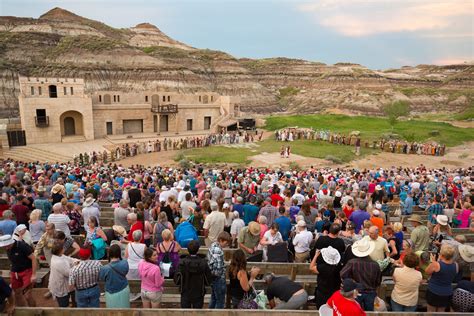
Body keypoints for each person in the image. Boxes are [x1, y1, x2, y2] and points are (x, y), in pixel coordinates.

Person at [340, 238, 381, 311]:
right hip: (370, 292)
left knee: (355, 311)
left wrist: (352, 282)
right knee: (369, 312)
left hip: (356, 292)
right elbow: (378, 281)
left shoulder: (352, 263)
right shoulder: (375, 265)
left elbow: (342, 274)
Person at [0, 234, 36, 307]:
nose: (5, 247)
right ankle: (22, 311)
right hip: (15, 272)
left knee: (27, 295)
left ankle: (34, 312)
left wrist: (34, 274)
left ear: (11, 242)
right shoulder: (7, 248)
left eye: (6, 245)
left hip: (27, 271)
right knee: (17, 293)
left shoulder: (22, 246)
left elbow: (33, 258)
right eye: (4, 246)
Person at [174, 240, 212, 308]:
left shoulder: (182, 262)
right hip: (199, 291)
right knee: (197, 312)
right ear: (197, 250)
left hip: (185, 291)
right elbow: (208, 279)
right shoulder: (203, 262)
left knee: (185, 313)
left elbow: (176, 279)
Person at [425, 244, 459, 312]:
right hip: (447, 292)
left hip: (433, 291)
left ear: (441, 255)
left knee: (431, 312)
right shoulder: (456, 265)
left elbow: (427, 272)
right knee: (441, 312)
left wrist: (433, 262)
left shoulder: (436, 264)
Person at [99, 244, 130, 308]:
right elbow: (126, 272)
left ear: (109, 254)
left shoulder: (105, 268)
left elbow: (101, 278)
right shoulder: (125, 263)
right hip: (123, 289)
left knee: (112, 311)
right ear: (119, 253)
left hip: (111, 292)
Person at [48, 240, 77, 307]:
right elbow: (69, 273)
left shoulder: (60, 256)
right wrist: (77, 266)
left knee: (74, 297)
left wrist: (77, 261)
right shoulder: (58, 262)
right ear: (60, 250)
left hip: (67, 283)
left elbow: (69, 259)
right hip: (60, 286)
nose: (64, 248)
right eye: (63, 247)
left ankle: (74, 308)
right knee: (64, 305)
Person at [207, 231, 231, 309]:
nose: (227, 244)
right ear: (221, 240)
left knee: (214, 299)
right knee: (220, 301)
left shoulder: (213, 245)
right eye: (226, 242)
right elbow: (218, 269)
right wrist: (223, 268)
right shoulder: (218, 250)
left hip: (213, 277)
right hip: (218, 279)